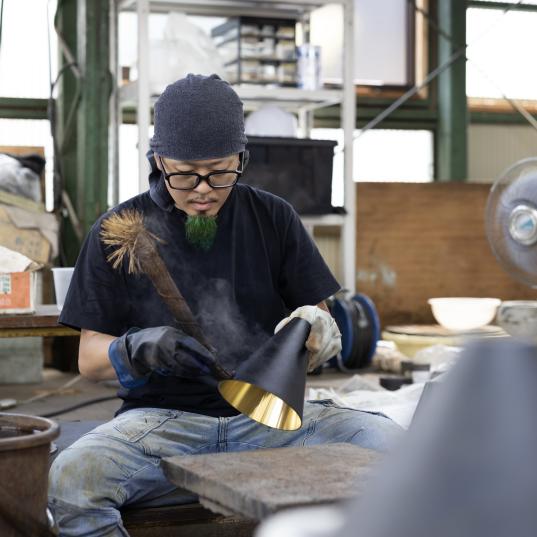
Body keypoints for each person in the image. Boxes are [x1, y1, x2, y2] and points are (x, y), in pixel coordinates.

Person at [48, 74, 400, 536]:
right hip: (162, 425)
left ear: (242, 159)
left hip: (269, 420)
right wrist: (138, 348)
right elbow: (89, 360)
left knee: (391, 446)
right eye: (184, 174)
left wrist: (315, 327)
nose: (203, 189)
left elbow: (318, 317)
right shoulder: (118, 230)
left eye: (219, 172)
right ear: (158, 160)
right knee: (72, 479)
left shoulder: (273, 217)